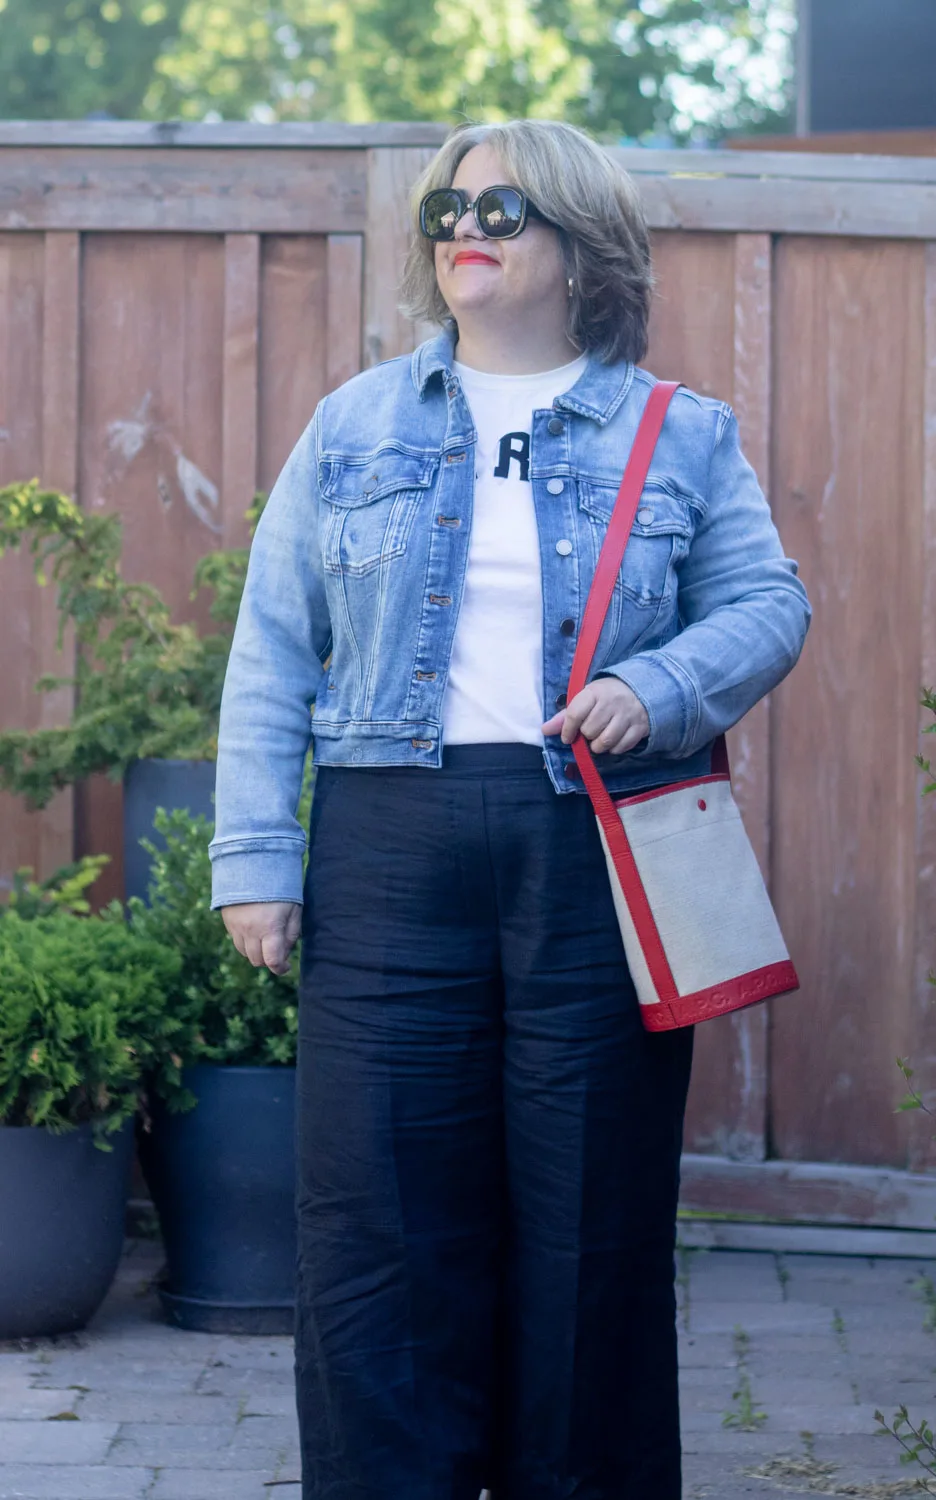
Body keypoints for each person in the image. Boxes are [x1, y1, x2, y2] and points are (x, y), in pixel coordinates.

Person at [209, 119, 811, 1500]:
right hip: (386, 845)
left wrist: (654, 689)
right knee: (375, 1229)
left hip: (588, 852)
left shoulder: (682, 434)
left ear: (580, 241)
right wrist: (257, 856)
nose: (464, 228)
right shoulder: (353, 424)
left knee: (588, 1227)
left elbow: (772, 605)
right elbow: (272, 650)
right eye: (447, 210)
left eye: (503, 206)